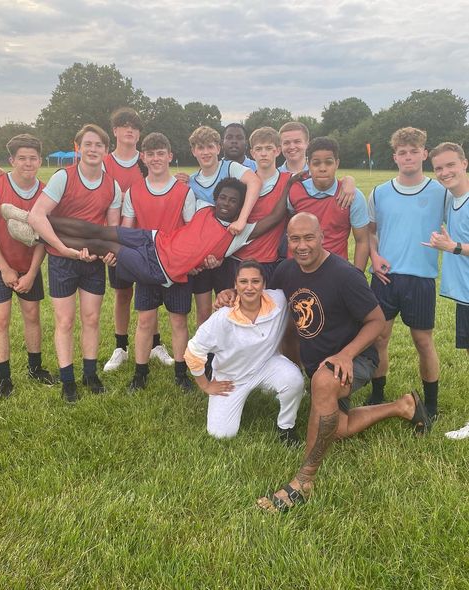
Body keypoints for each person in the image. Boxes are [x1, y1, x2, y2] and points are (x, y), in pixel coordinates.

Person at [216, 213, 432, 512]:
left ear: (322, 237)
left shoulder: (345, 275)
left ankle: (304, 480)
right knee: (338, 429)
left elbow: (377, 321)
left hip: (356, 357)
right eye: (295, 239)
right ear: (288, 241)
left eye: (308, 237)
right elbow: (261, 296)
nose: (302, 245)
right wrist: (231, 294)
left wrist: (346, 354)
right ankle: (403, 406)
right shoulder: (286, 270)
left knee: (324, 383)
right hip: (319, 364)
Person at [4, 176, 292, 296]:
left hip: (160, 268)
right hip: (153, 239)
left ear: (240, 207)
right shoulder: (205, 208)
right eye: (223, 198)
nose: (226, 204)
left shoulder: (237, 234)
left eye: (232, 202)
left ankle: (36, 237)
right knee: (100, 230)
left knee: (103, 244)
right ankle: (33, 218)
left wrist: (290, 181)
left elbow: (275, 217)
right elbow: (189, 184)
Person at [25, 124, 122, 402]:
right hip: (61, 261)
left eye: (99, 145)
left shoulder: (112, 185)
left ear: (106, 150)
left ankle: (90, 374)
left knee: (91, 319)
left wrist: (111, 252)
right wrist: (62, 249)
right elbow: (36, 216)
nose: (93, 150)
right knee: (65, 321)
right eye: (88, 144)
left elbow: (112, 230)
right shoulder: (63, 178)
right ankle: (68, 380)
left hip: (92, 262)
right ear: (78, 147)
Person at [367, 127, 447, 417]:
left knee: (423, 341)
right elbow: (371, 232)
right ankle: (377, 396)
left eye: (415, 151)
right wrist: (374, 256)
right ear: (395, 157)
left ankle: (433, 405)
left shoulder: (440, 192)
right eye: (403, 152)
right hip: (386, 277)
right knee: (379, 338)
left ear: (425, 154)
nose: (409, 156)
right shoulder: (380, 192)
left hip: (421, 278)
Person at [184, 260, 304, 444]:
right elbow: (193, 351)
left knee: (294, 379)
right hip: (231, 378)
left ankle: (286, 428)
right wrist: (205, 385)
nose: (249, 287)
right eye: (243, 282)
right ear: (235, 285)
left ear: (264, 284)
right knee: (221, 434)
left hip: (266, 365)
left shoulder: (278, 300)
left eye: (255, 282)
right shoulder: (222, 318)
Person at [121, 132, 196, 392]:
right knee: (145, 320)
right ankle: (140, 374)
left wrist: (188, 260)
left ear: (170, 156)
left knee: (178, 321)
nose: (155, 158)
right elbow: (127, 232)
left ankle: (180, 372)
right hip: (146, 267)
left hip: (176, 267)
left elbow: (192, 232)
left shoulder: (184, 192)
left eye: (160, 153)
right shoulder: (134, 192)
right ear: (142, 157)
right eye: (150, 154)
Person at [103, 108, 173, 371]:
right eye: (123, 125)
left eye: (134, 126)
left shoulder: (145, 161)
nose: (129, 129)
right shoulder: (104, 163)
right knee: (122, 294)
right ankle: (120, 346)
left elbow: (161, 182)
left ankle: (155, 345)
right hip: (115, 237)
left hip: (144, 239)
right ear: (115, 131)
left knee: (149, 294)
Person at [0, 134, 57, 397]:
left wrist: (32, 273)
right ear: (12, 160)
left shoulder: (45, 191)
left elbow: (44, 238)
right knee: (1, 320)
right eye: (22, 158)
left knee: (32, 316)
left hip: (28, 265)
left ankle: (35, 368)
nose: (28, 163)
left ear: (40, 160)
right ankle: (4, 379)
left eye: (33, 158)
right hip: (0, 265)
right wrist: (5, 269)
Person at [187, 126, 262, 328]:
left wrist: (242, 219)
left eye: (210, 146)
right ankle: (203, 356)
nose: (205, 152)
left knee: (229, 306)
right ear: (193, 151)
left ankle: (229, 354)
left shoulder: (229, 167)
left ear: (218, 148)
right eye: (200, 147)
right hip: (203, 256)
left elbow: (255, 183)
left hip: (229, 253)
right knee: (203, 311)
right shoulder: (192, 182)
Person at [424, 142, 469, 439]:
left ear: (464, 163)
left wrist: (452, 247)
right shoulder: (453, 200)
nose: (444, 172)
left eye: (450, 165)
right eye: (439, 168)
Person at [287, 136, 369, 271]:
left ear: (337, 163)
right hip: (298, 269)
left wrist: (357, 276)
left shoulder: (353, 196)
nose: (323, 168)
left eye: (329, 163)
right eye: (316, 163)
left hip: (335, 271)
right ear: (308, 163)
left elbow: (362, 241)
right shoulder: (295, 191)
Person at [228, 126, 291, 284]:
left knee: (268, 307)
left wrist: (348, 182)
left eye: (269, 148)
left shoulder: (289, 180)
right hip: (239, 258)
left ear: (277, 151)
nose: (263, 153)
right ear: (252, 153)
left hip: (269, 261)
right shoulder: (242, 183)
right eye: (259, 149)